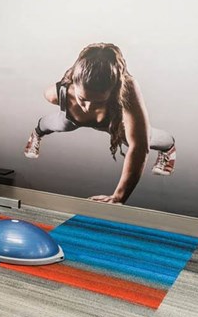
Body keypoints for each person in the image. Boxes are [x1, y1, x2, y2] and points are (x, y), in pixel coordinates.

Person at [23, 43, 175, 203]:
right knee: (60, 123)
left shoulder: (127, 88)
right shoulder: (57, 92)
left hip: (112, 123)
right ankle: (36, 134)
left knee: (142, 137)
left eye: (98, 102)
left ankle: (169, 148)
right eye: (83, 99)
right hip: (74, 118)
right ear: (74, 83)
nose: (88, 107)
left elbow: (139, 147)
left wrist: (118, 197)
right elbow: (51, 96)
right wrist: (70, 105)